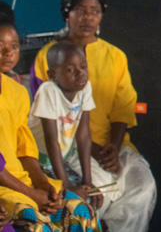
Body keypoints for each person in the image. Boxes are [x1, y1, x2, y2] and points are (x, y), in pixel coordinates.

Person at [32, 0, 156, 232]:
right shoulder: (49, 56)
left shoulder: (115, 56)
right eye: (80, 10)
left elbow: (124, 107)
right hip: (72, 152)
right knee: (95, 198)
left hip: (114, 147)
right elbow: (54, 126)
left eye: (95, 11)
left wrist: (114, 147)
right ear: (67, 13)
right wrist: (95, 153)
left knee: (143, 188)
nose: (88, 17)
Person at [0, 20, 100, 232]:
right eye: (0, 46)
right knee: (36, 224)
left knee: (83, 213)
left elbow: (25, 150)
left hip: (23, 180)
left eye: (14, 46)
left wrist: (42, 183)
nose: (7, 52)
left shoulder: (17, 92)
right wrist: (31, 193)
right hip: (4, 187)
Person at [28, 41, 104, 211]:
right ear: (52, 75)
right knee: (67, 202)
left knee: (89, 197)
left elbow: (83, 135)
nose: (80, 73)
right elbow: (51, 140)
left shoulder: (85, 88)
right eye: (70, 70)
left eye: (83, 67)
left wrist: (87, 181)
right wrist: (66, 184)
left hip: (57, 160)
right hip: (36, 160)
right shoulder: (48, 91)